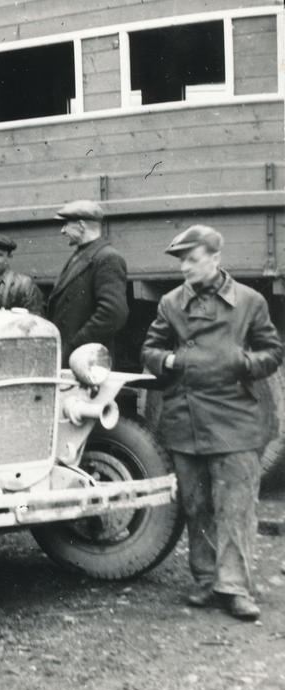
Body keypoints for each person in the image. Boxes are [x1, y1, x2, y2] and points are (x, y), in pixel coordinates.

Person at [142, 224, 283, 621]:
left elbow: (272, 351)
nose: (184, 267)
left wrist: (243, 363)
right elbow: (151, 348)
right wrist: (168, 361)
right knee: (196, 505)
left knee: (235, 506)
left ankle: (234, 587)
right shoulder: (170, 303)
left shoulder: (250, 302)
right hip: (186, 420)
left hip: (236, 419)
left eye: (192, 259)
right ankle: (206, 580)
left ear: (215, 259)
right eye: (181, 261)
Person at [47, 200, 128, 365]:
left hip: (87, 361)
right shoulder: (82, 255)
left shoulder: (107, 257)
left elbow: (113, 314)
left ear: (81, 226)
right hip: (75, 358)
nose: (62, 231)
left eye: (65, 224)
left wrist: (75, 345)